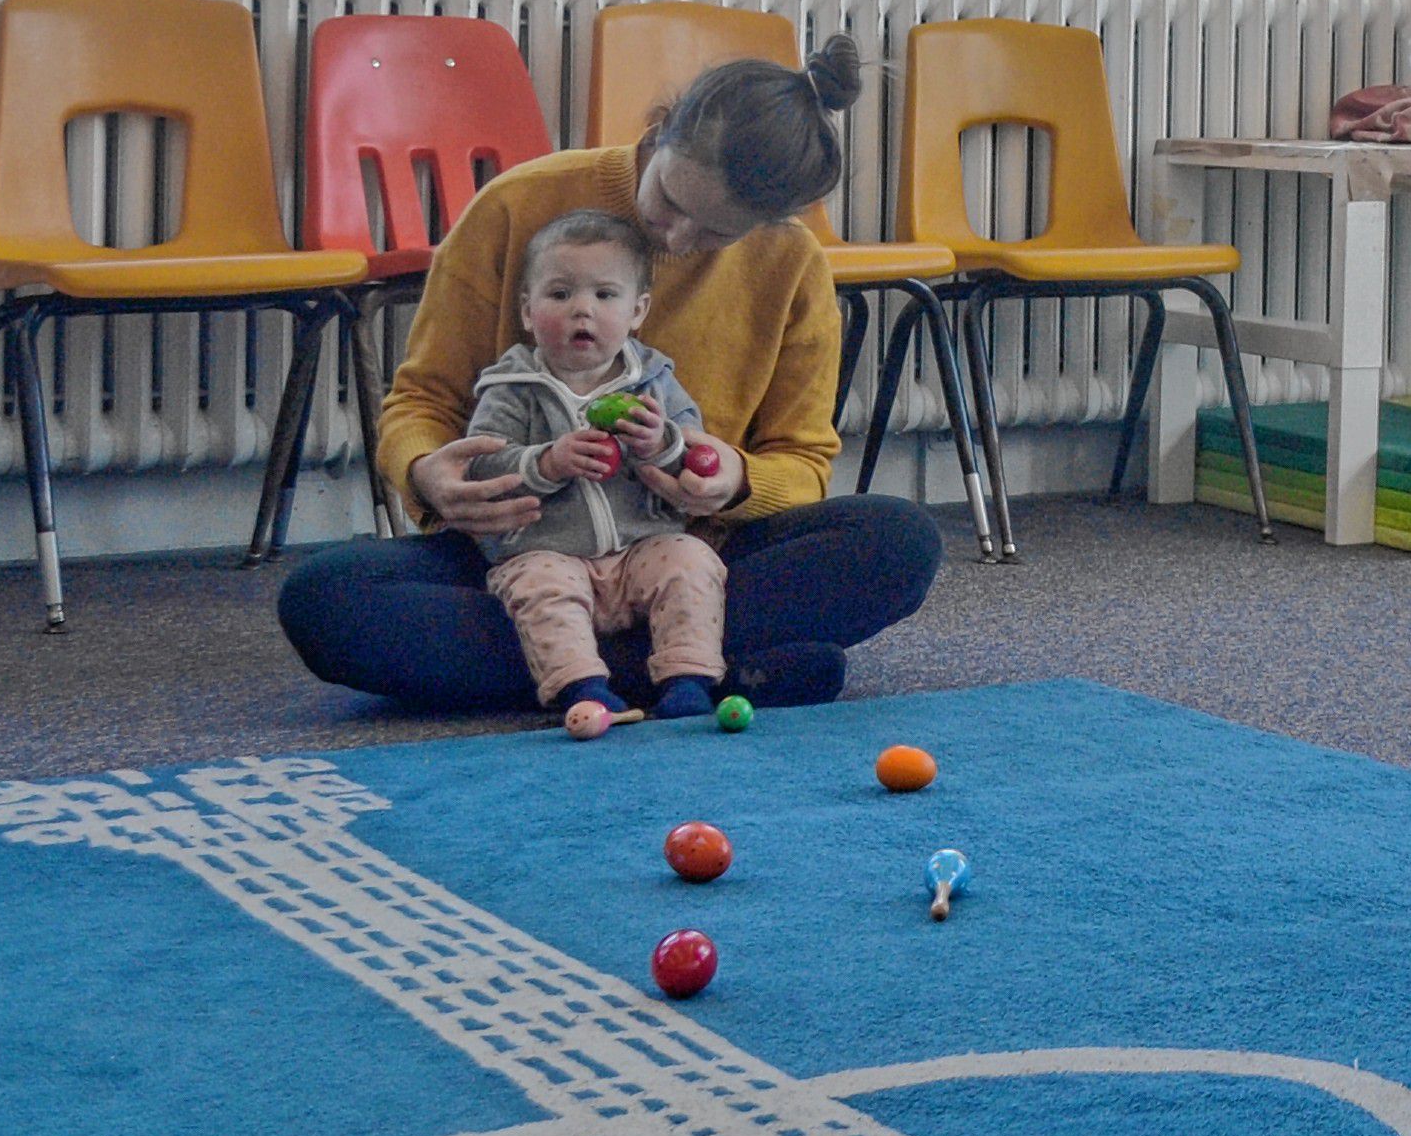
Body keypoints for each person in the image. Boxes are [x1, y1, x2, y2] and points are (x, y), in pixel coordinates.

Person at [278, 35, 940, 711]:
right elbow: (422, 400)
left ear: (768, 224)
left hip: (686, 557)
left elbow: (802, 462)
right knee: (327, 599)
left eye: (717, 233)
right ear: (660, 132)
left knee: (898, 542)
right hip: (527, 557)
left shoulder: (793, 263)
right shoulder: (517, 205)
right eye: (671, 201)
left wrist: (734, 479)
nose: (678, 240)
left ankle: (587, 672)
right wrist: (425, 471)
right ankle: (695, 668)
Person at [465, 210, 730, 724]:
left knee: (692, 560)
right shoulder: (512, 386)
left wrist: (662, 443)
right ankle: (583, 688)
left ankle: (688, 680)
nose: (581, 311)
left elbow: (695, 457)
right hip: (549, 551)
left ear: (638, 311)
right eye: (560, 295)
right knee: (538, 587)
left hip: (641, 549)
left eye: (605, 296)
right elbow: (480, 467)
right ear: (527, 310)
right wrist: (545, 461)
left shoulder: (652, 380)